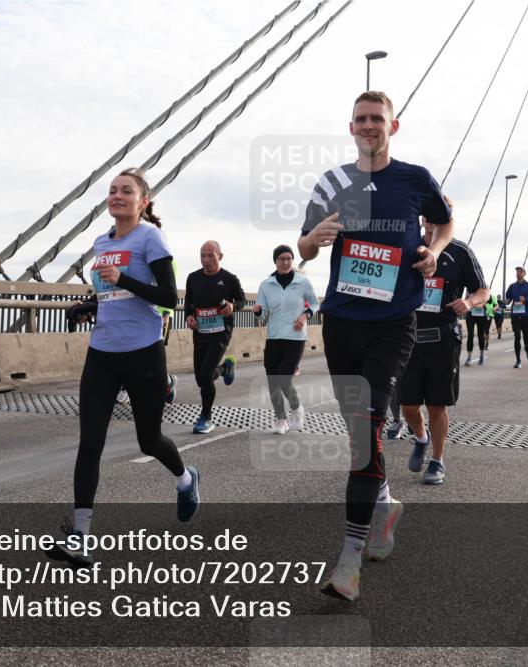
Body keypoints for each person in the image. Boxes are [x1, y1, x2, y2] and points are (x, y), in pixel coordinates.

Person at [298, 90, 453, 601]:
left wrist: (433, 249)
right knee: (357, 434)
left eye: (377, 119)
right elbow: (302, 246)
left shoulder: (414, 179)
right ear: (350, 127)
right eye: (361, 119)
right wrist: (313, 238)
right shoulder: (333, 183)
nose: (369, 126)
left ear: (394, 126)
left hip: (393, 323)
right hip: (341, 322)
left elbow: (445, 221)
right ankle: (384, 504)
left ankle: (348, 562)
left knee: (365, 435)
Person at [55, 168, 198, 566]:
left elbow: (169, 297)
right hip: (102, 352)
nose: (117, 196)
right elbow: (112, 293)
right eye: (112, 190)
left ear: (143, 202)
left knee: (148, 441)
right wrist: (89, 305)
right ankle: (81, 536)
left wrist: (123, 278)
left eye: (127, 191)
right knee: (90, 443)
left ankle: (186, 481)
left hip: (143, 352)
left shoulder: (150, 238)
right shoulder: (101, 241)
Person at [402, 222, 488, 484]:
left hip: (443, 340)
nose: (432, 223)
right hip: (408, 338)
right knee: (408, 406)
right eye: (428, 217)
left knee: (437, 405)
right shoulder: (408, 246)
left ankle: (437, 461)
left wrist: (469, 301)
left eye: (440, 218)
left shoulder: (460, 251)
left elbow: (483, 291)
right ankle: (421, 438)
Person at [253, 245, 318, 434]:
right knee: (273, 381)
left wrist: (305, 316)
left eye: (289, 258)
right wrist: (257, 312)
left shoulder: (303, 282)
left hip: (296, 338)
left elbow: (315, 304)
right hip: (273, 338)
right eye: (282, 258)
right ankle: (281, 420)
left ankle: (297, 409)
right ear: (275, 261)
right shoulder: (266, 284)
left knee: (284, 378)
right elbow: (262, 312)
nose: (286, 262)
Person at [184, 241, 246, 434]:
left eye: (210, 255)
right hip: (201, 333)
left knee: (205, 375)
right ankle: (226, 368)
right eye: (202, 256)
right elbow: (188, 302)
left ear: (220, 256)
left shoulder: (229, 279)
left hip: (221, 332)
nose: (206, 260)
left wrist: (233, 306)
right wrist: (189, 316)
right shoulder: (193, 278)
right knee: (202, 379)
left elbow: (242, 300)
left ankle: (206, 417)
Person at [505, 267, 528, 368]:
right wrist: (503, 303)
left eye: (520, 272)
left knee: (525, 336)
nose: (518, 273)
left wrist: (526, 299)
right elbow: (508, 299)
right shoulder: (512, 286)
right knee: (517, 336)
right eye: (517, 272)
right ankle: (518, 360)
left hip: (526, 315)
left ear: (524, 274)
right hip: (515, 315)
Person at [156, 259, 180, 404]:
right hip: (142, 316)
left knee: (155, 356)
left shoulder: (168, 262)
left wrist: (165, 313)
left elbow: (171, 288)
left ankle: (168, 382)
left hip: (161, 316)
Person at [464, 290, 490, 366]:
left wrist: (484, 300)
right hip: (471, 313)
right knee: (470, 335)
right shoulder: (469, 288)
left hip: (481, 313)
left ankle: (481, 356)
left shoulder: (484, 287)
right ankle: (469, 358)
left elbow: (490, 300)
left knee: (481, 335)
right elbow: (466, 299)